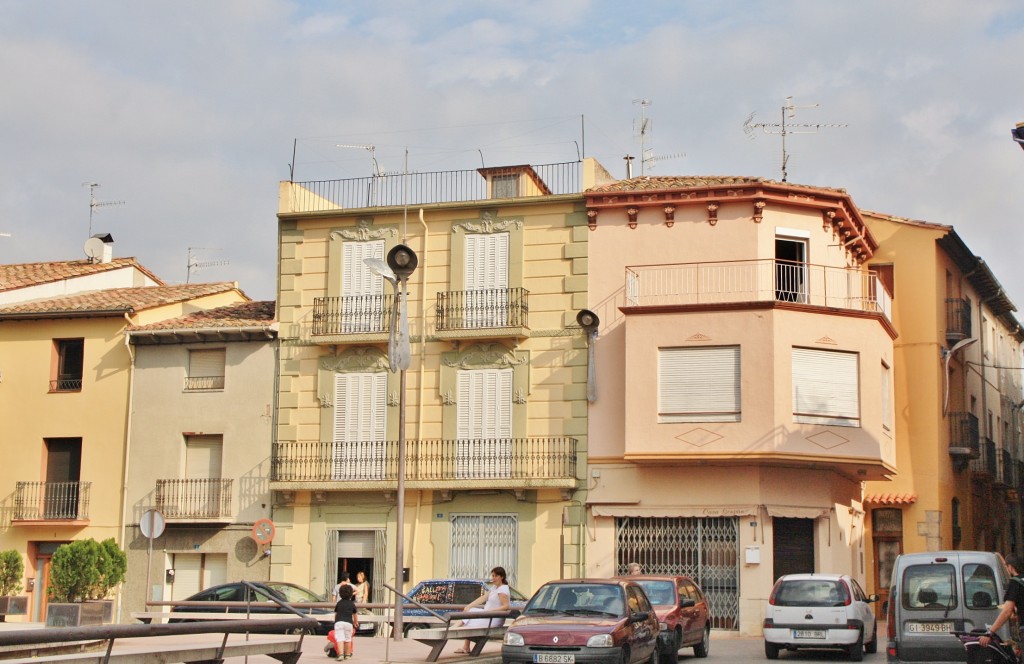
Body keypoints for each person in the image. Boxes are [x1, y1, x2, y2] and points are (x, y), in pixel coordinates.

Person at [456, 567, 511, 654]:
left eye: (496, 576)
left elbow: (505, 607)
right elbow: (483, 598)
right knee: (470, 611)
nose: (493, 578)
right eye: (492, 575)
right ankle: (465, 645)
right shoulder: (494, 588)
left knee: (470, 615)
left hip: (494, 618)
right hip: (487, 616)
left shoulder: (502, 589)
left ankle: (454, 629)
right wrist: (469, 606)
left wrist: (490, 611)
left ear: (502, 577)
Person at [979, 554, 1024, 649]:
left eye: (1006, 566)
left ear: (1011, 567)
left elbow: (1007, 612)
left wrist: (990, 632)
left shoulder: (1015, 583)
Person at [333, 584, 359, 660]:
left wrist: (335, 622)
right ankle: (347, 655)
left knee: (340, 638)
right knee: (348, 639)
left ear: (340, 594)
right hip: (348, 623)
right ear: (351, 594)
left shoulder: (339, 603)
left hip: (339, 622)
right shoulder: (352, 604)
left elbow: (336, 614)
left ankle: (340, 654)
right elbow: (355, 614)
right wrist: (355, 622)